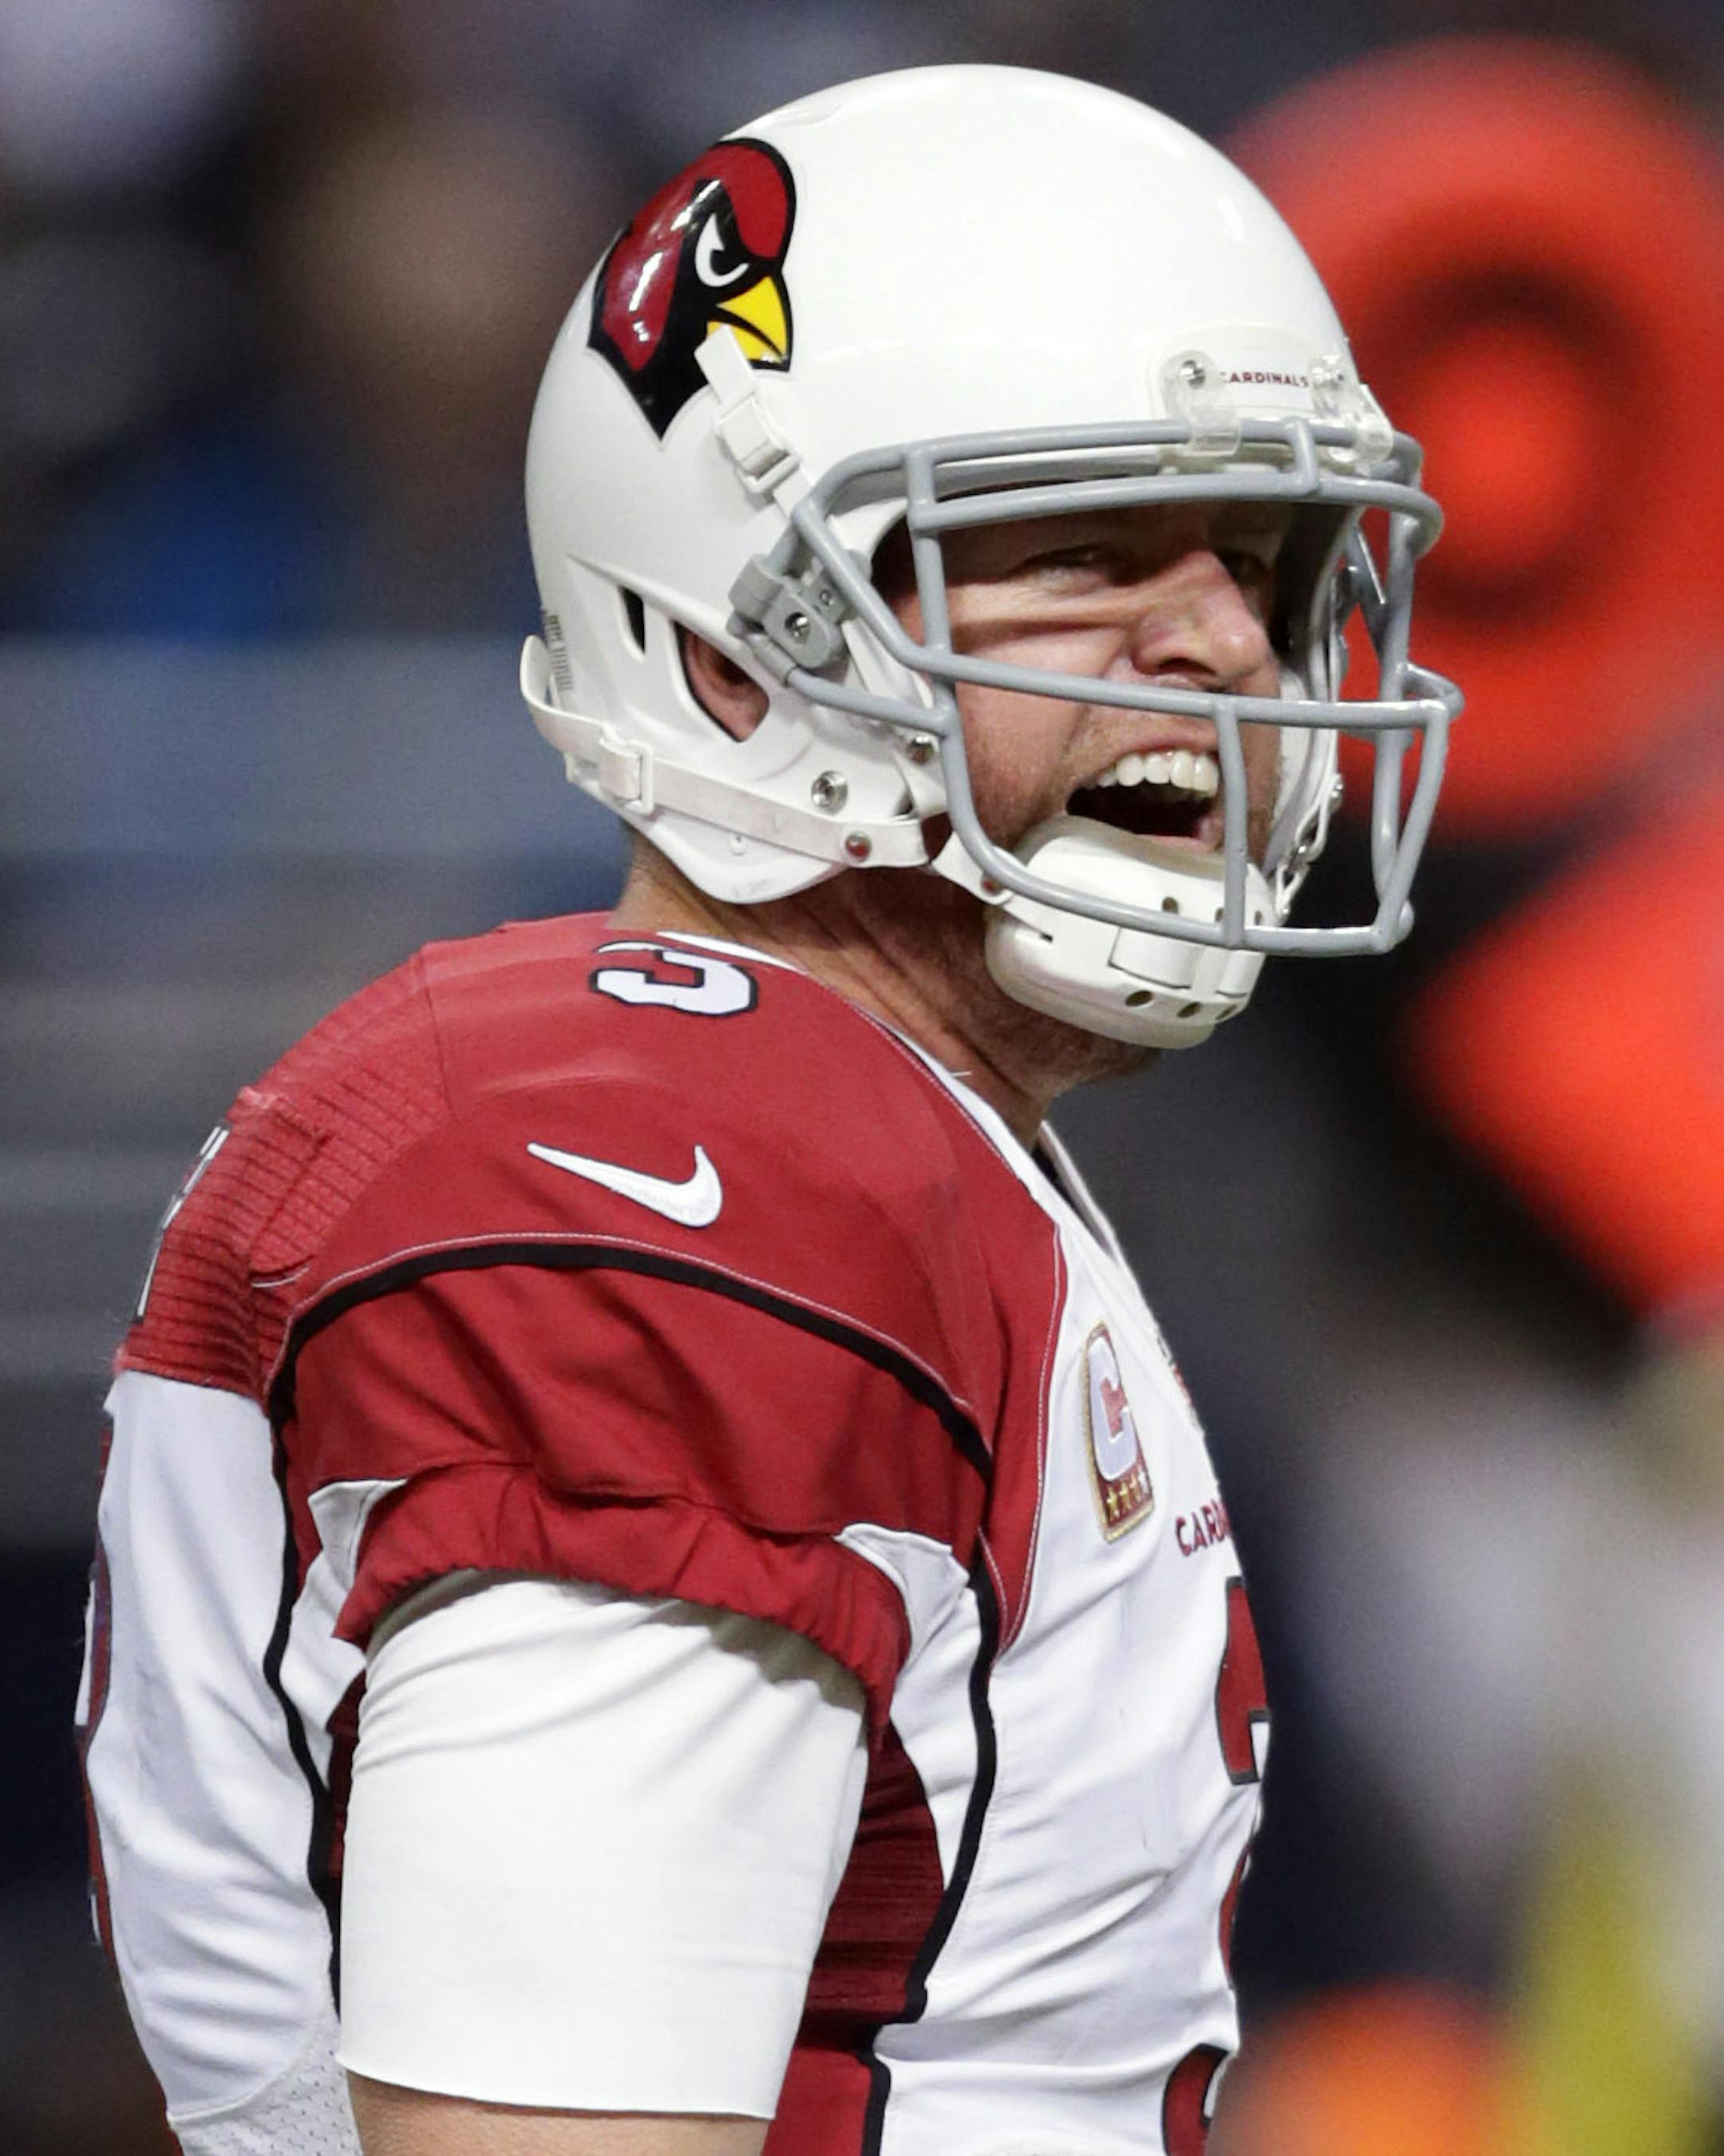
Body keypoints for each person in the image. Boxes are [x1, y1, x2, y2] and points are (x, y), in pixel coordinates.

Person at [76, 64, 1457, 2156]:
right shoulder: (685, 1182)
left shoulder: (850, 1136)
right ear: (738, 659)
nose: (1229, 650)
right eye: (1086, 550)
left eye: (1265, 561)